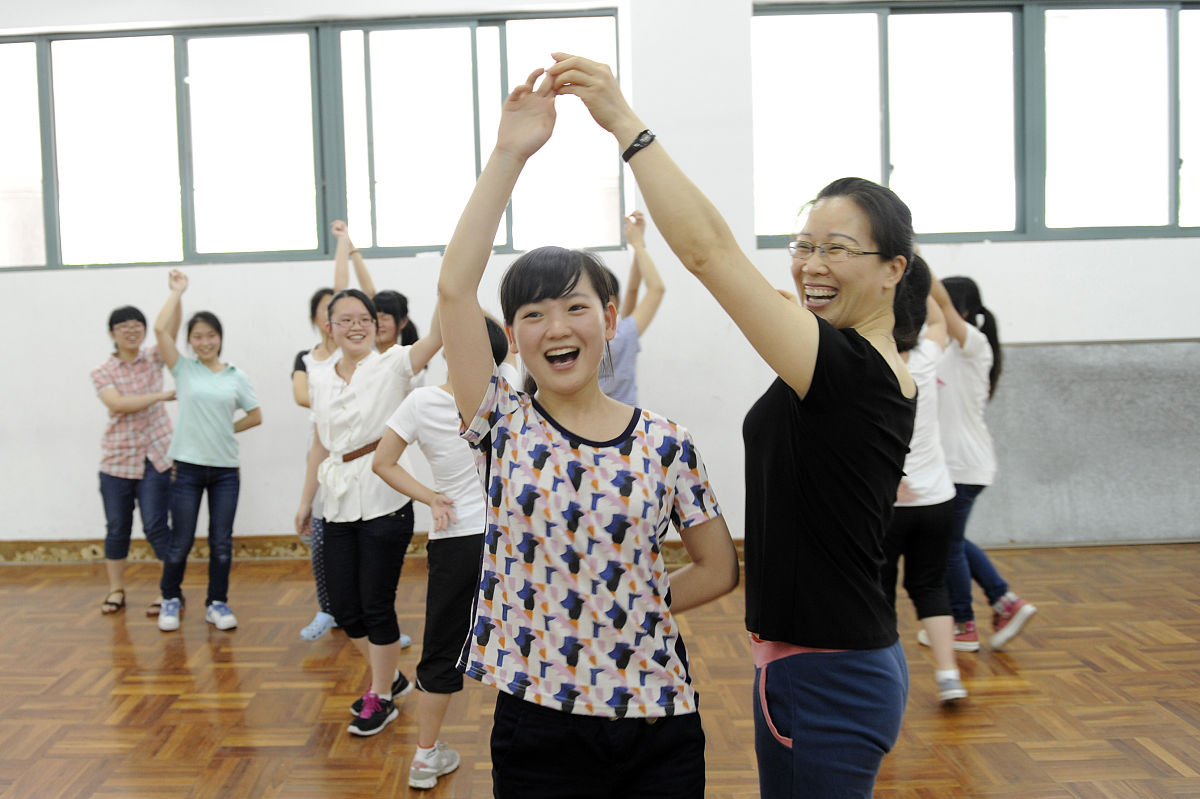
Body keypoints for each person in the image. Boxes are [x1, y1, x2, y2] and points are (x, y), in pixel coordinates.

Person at [547, 54, 919, 798]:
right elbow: (737, 265)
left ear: (893, 270)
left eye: (837, 249)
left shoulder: (851, 370)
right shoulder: (848, 360)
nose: (812, 264)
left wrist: (623, 123)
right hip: (814, 663)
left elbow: (709, 252)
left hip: (829, 676)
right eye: (805, 245)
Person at [437, 68, 739, 798]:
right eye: (532, 314)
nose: (555, 327)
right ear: (513, 336)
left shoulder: (667, 442)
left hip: (657, 717)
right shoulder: (501, 422)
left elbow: (717, 568)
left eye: (574, 307)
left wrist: (624, 604)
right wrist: (508, 154)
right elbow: (453, 288)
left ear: (609, 319)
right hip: (538, 724)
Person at [294, 289, 442, 737]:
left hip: (385, 498)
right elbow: (319, 444)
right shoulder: (319, 375)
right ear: (329, 327)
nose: (356, 327)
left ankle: (381, 695)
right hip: (337, 501)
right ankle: (391, 678)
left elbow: (437, 335)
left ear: (377, 325)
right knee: (344, 605)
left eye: (364, 318)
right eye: (345, 320)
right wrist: (306, 501)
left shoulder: (393, 363)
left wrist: (449, 286)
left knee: (376, 604)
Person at [371, 317, 510, 790]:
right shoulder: (511, 400)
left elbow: (382, 462)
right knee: (525, 644)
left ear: (449, 351)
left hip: (457, 541)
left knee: (442, 649)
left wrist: (431, 497)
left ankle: (425, 757)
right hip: (509, 539)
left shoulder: (422, 401)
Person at [927, 275, 1036, 652]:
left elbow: (941, 306)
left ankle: (964, 623)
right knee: (950, 540)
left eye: (942, 305)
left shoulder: (973, 345)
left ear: (964, 311)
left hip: (965, 465)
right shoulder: (938, 351)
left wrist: (916, 262)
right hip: (949, 466)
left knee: (948, 545)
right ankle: (1004, 601)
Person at [878, 256, 967, 705]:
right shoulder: (929, 358)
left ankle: (888, 686)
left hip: (888, 506)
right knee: (930, 586)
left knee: (879, 595)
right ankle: (949, 675)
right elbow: (938, 317)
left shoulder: (872, 365)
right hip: (937, 502)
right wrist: (915, 266)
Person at [154, 270, 262, 633]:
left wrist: (224, 430)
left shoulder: (236, 376)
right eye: (197, 336)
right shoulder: (183, 369)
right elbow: (160, 330)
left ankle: (217, 602)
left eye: (211, 335)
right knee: (180, 541)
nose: (205, 342)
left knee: (221, 543)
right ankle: (170, 597)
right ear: (189, 340)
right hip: (186, 469)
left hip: (225, 472)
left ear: (220, 338)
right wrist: (177, 292)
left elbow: (255, 415)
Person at [92, 305, 176, 616]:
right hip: (117, 461)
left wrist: (177, 294)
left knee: (156, 527)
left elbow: (170, 330)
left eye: (137, 325)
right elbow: (117, 403)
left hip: (156, 458)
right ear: (112, 333)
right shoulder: (102, 371)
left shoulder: (153, 357)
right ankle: (116, 589)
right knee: (117, 528)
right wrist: (160, 396)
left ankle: (169, 592)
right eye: (123, 326)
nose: (131, 330)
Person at [597, 210, 665, 404]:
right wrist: (638, 245)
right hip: (625, 419)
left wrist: (638, 244)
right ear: (613, 304)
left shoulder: (588, 343)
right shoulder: (620, 337)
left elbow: (633, 290)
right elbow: (656, 289)